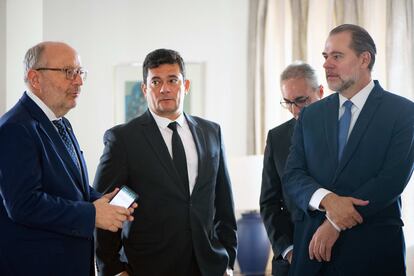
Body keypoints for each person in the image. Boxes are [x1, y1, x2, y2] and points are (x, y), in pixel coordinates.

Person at [283, 24, 414, 276]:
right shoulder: (310, 115)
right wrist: (327, 201)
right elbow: (293, 175)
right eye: (325, 56)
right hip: (311, 259)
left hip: (373, 256)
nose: (326, 64)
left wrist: (334, 222)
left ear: (365, 59)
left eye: (337, 56)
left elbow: (391, 181)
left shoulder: (403, 112)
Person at [94, 48, 237, 276]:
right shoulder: (124, 140)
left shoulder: (212, 132)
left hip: (209, 267)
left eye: (173, 80)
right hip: (146, 267)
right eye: (155, 82)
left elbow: (224, 204)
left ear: (186, 85)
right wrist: (112, 269)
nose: (165, 89)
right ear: (144, 89)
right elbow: (107, 209)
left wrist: (228, 260)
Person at [0, 41, 135, 276]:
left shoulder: (61, 122)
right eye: (68, 72)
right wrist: (93, 214)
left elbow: (70, 188)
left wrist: (104, 201)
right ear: (35, 78)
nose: (79, 81)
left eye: (80, 72)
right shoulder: (15, 128)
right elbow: (23, 205)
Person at [260, 62, 323, 276]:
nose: (295, 111)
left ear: (320, 92)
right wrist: (287, 250)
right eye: (288, 102)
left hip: (339, 255)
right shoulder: (276, 138)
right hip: (291, 261)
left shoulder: (341, 131)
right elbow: (269, 203)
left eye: (301, 101)